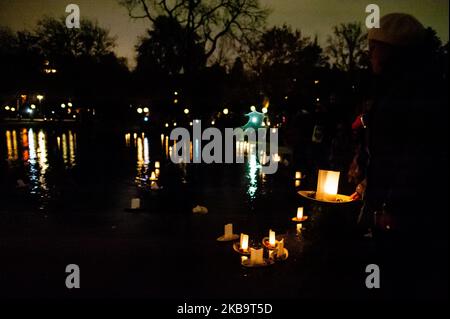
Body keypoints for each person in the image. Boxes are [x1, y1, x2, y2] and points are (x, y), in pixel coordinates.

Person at [352, 13, 448, 298]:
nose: (370, 55)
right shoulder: (391, 88)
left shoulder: (416, 92)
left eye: (375, 49)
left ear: (393, 52)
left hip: (407, 215)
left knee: (399, 279)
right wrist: (367, 177)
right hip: (390, 207)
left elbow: (417, 153)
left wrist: (392, 205)